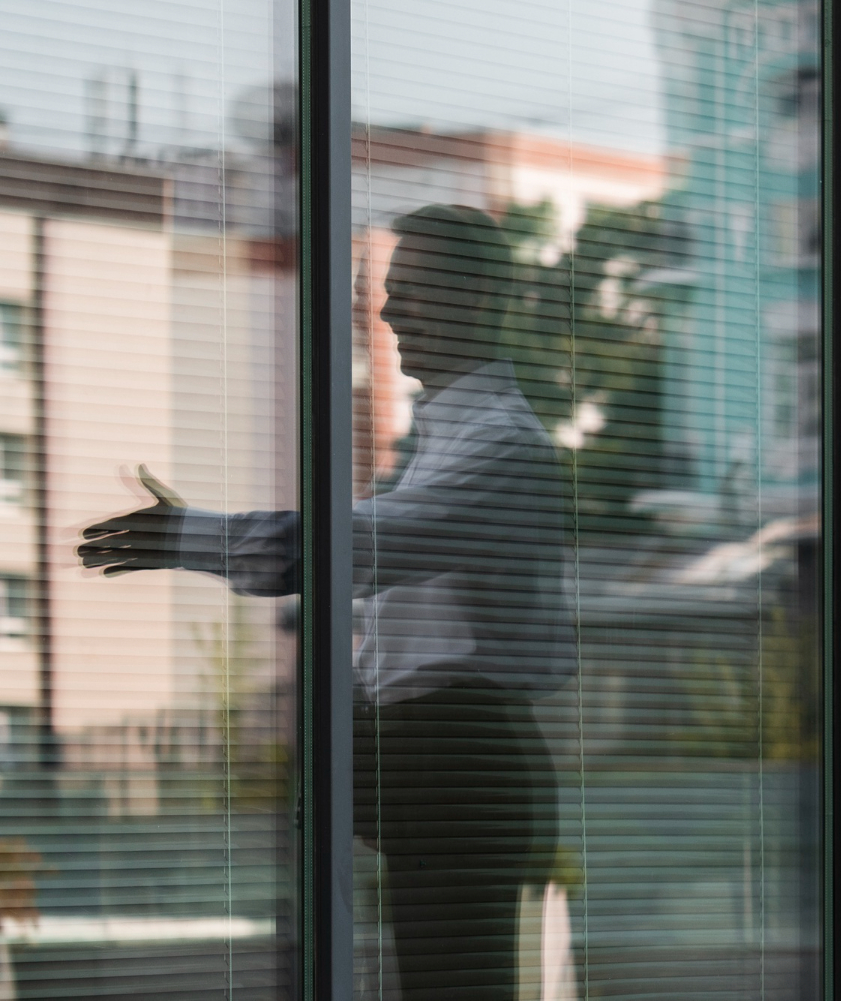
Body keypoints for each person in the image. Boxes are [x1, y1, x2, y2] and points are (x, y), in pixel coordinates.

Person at [78, 204, 574, 1001]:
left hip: (461, 760)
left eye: (411, 288)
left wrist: (190, 538)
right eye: (385, 289)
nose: (385, 309)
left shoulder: (500, 447)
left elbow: (363, 546)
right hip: (423, 755)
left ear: (479, 296)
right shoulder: (442, 442)